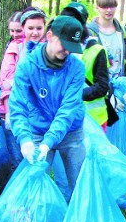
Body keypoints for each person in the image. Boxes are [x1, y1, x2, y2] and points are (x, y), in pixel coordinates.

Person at [9, 15, 87, 195]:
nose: (67, 51)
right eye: (64, 45)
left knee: (80, 186)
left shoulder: (76, 67)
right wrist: (25, 139)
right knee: (34, 186)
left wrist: (49, 142)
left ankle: (78, 221)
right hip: (38, 129)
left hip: (71, 132)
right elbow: (18, 105)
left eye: (72, 47)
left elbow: (68, 110)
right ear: (50, 35)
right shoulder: (28, 65)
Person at [0, 7, 48, 168]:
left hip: (43, 113)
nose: (35, 32)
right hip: (19, 110)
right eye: (30, 28)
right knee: (19, 158)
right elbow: (4, 82)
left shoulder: (50, 49)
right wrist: (8, 111)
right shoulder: (15, 49)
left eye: (39, 28)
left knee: (40, 160)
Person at [61, 2, 110, 130]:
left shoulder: (97, 50)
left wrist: (75, 95)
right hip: (64, 118)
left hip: (94, 120)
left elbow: (102, 86)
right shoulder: (57, 49)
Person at [87, 0, 126, 108]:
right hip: (98, 93)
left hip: (121, 91)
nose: (109, 10)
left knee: (125, 126)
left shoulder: (124, 32)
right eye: (104, 6)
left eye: (112, 6)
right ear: (97, 7)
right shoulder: (89, 32)